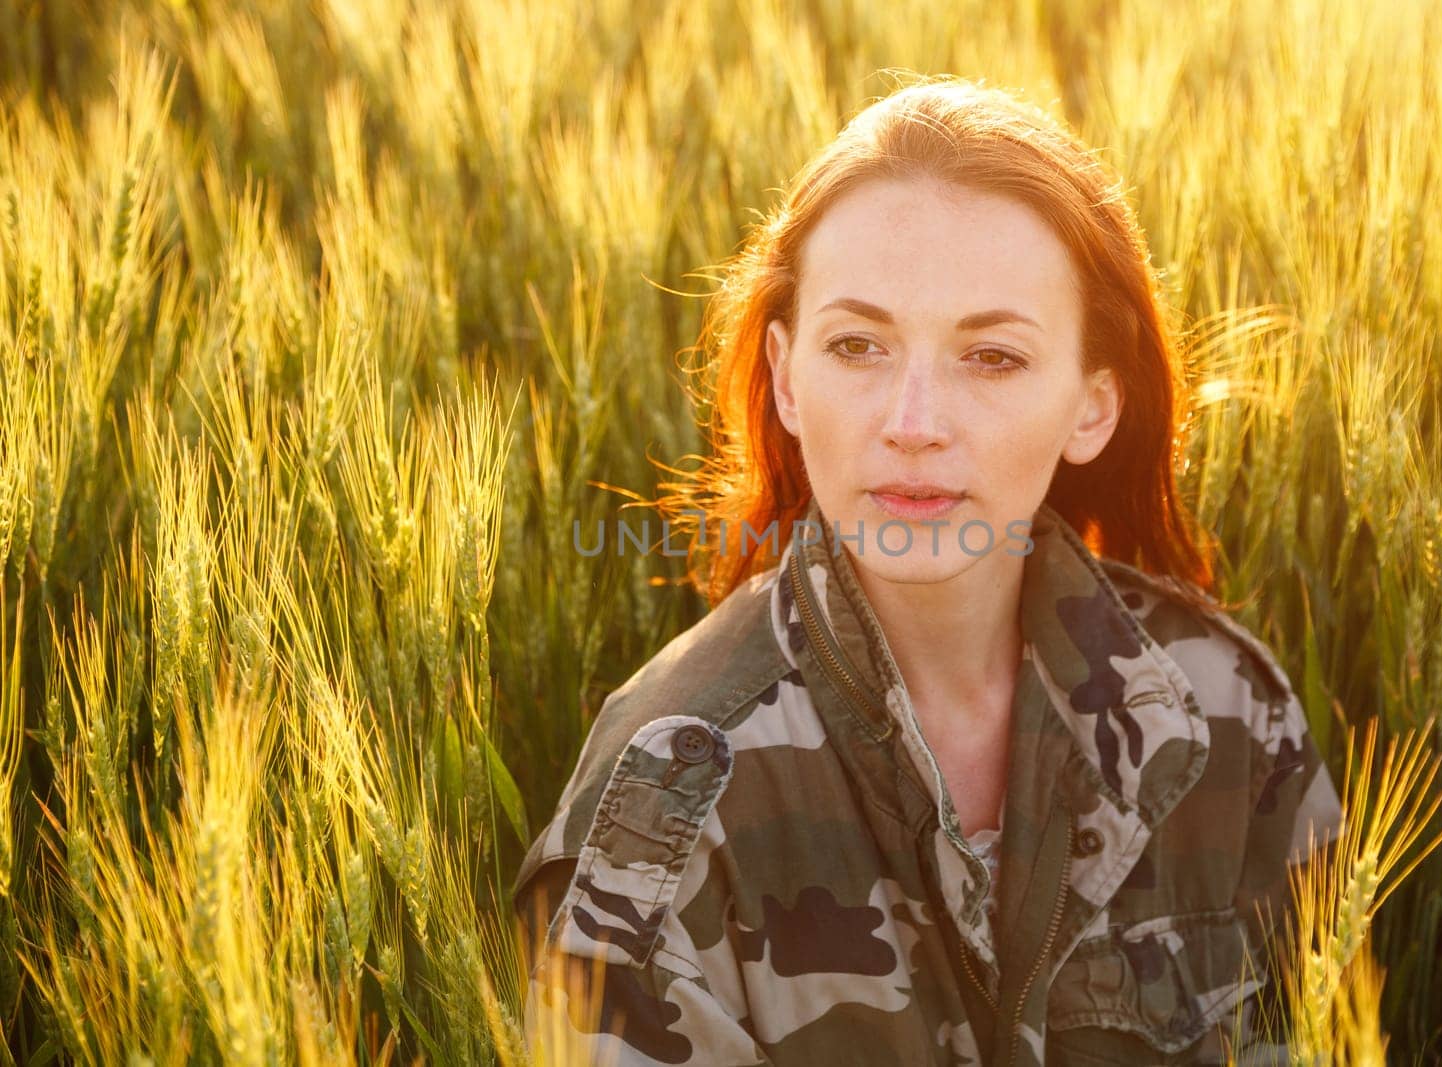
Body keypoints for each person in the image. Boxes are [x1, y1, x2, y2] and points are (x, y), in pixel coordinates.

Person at [512, 75, 1343, 1066]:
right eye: (857, 345)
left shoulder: (1227, 714)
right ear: (784, 377)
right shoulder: (664, 805)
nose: (911, 423)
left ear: (1093, 404)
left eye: (991, 357)